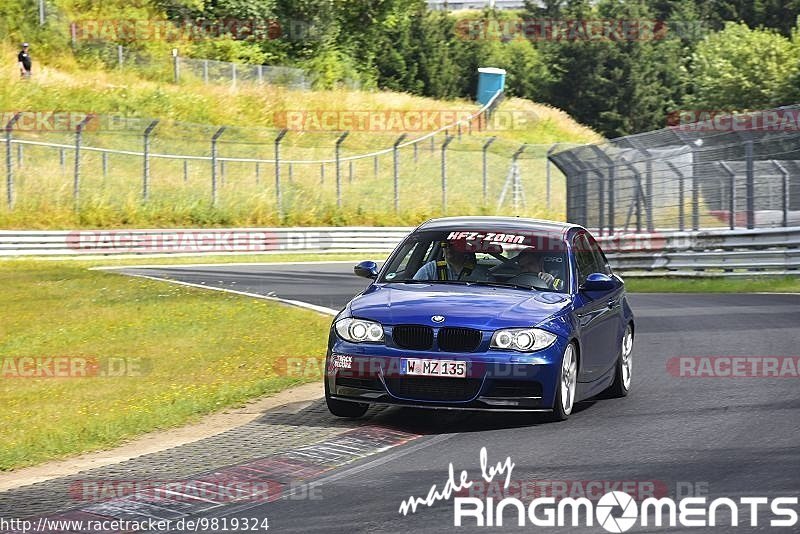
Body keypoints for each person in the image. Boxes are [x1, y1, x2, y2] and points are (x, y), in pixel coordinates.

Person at [413, 241, 481, 281]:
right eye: (444, 245)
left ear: (463, 248)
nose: (448, 248)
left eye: (453, 244)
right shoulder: (430, 269)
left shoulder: (480, 272)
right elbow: (413, 289)